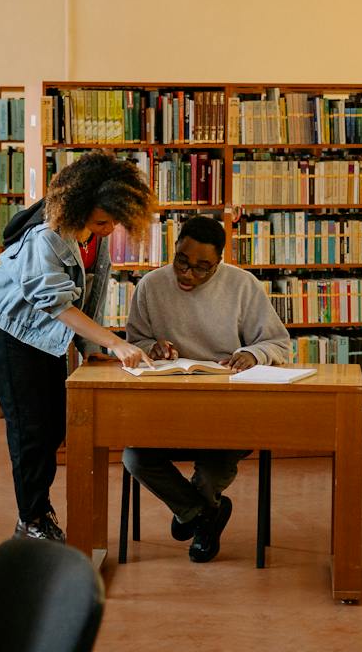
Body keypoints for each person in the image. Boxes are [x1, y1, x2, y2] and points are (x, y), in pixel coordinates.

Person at [0, 153, 152, 542]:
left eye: (113, 221)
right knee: (30, 431)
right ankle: (30, 519)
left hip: (53, 337)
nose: (108, 229)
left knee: (55, 424)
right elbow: (56, 302)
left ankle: (38, 508)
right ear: (76, 209)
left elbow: (88, 297)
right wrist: (112, 342)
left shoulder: (94, 234)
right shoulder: (44, 237)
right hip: (15, 335)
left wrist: (88, 344)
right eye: (100, 221)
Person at [120, 214, 293, 562]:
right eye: (181, 262)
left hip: (229, 409)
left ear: (219, 263)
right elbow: (134, 340)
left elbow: (278, 343)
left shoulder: (242, 286)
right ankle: (203, 515)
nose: (188, 274)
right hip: (169, 407)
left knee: (214, 468)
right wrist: (151, 348)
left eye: (202, 268)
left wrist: (251, 353)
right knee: (134, 457)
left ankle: (192, 512)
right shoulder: (151, 286)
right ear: (174, 248)